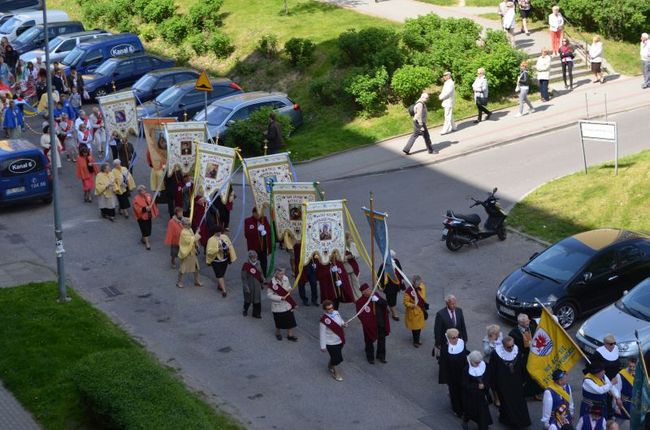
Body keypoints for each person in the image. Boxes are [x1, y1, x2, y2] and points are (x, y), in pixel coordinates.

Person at [486, 335, 532, 428]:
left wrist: (524, 379)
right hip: (504, 383)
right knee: (507, 403)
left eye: (512, 345)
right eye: (509, 347)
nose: (511, 348)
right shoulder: (496, 354)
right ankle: (511, 422)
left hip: (516, 382)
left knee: (520, 402)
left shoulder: (516, 350)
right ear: (503, 346)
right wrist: (494, 385)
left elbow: (521, 365)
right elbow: (493, 370)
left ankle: (523, 421)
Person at [509, 313, 543, 398]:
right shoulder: (513, 333)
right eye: (526, 321)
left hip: (534, 355)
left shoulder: (532, 327)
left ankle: (536, 391)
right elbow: (513, 349)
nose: (529, 321)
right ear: (521, 323)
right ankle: (525, 393)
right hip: (523, 358)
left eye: (528, 320)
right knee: (526, 376)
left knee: (535, 374)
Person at [356, 283, 390, 364]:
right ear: (363, 292)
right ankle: (370, 357)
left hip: (380, 322)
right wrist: (368, 323)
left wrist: (378, 300)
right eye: (367, 290)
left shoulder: (375, 295)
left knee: (382, 340)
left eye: (369, 289)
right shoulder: (360, 302)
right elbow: (360, 315)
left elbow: (385, 304)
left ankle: (381, 356)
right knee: (369, 341)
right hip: (370, 326)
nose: (370, 291)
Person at [439, 328, 469, 417]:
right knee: (454, 393)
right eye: (453, 338)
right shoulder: (445, 349)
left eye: (456, 337)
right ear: (449, 338)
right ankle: (457, 410)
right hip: (452, 375)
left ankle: (464, 407)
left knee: (463, 391)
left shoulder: (461, 343)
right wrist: (445, 378)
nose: (455, 339)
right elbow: (443, 364)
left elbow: (465, 353)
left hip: (463, 373)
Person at [462, 350, 493, 430]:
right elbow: (465, 384)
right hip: (471, 396)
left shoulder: (484, 366)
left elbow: (488, 378)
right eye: (476, 362)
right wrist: (476, 386)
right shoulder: (466, 370)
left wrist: (485, 385)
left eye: (479, 362)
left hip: (482, 395)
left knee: (482, 412)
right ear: (471, 361)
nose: (478, 364)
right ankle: (465, 420)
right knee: (470, 411)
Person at [267, 268, 298, 341]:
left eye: (283, 274)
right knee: (279, 321)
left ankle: (290, 335)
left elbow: (288, 286)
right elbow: (269, 295)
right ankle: (278, 333)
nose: (282, 276)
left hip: (287, 304)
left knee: (290, 320)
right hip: (278, 305)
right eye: (280, 274)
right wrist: (280, 298)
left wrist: (290, 289)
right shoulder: (272, 283)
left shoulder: (285, 278)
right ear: (276, 274)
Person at [206, 225, 236, 297]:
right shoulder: (211, 240)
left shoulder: (224, 237)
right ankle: (224, 290)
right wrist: (218, 249)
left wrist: (227, 248)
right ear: (214, 232)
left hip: (224, 259)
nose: (219, 233)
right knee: (219, 275)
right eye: (217, 232)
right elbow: (209, 251)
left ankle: (220, 286)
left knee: (222, 274)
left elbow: (229, 245)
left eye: (219, 232)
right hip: (216, 261)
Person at [319, 299, 345, 381]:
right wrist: (323, 346)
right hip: (330, 342)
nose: (331, 310)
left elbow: (340, 321)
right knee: (336, 358)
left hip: (339, 339)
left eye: (332, 308)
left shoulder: (336, 312)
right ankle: (336, 374)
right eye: (329, 309)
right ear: (325, 310)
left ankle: (330, 365)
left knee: (336, 356)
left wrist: (344, 324)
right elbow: (322, 334)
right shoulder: (323, 321)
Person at [377, 249, 404, 321]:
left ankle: (390, 309)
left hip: (396, 285)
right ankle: (394, 314)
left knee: (392, 299)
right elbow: (379, 276)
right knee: (391, 300)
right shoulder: (383, 266)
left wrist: (402, 280)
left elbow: (400, 271)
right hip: (388, 286)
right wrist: (380, 286)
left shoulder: (396, 261)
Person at [244, 207, 272, 276]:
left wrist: (265, 232)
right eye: (257, 213)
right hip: (253, 247)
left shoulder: (264, 219)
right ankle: (253, 276)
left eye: (260, 213)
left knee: (264, 263)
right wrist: (257, 231)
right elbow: (247, 234)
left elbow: (269, 230)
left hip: (263, 247)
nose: (258, 215)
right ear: (253, 213)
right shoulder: (248, 221)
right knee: (253, 263)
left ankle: (264, 276)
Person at [177, 217, 202, 289]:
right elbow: (190, 240)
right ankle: (179, 282)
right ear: (183, 225)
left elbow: (193, 238)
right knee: (183, 268)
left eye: (189, 224)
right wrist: (197, 233)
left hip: (192, 252)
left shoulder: (189, 229)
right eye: (187, 224)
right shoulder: (183, 232)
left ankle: (196, 281)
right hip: (187, 252)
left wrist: (197, 244)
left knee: (196, 268)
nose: (189, 225)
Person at [403, 275, 428, 348]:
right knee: (415, 328)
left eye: (420, 283)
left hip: (421, 310)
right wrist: (412, 305)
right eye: (418, 284)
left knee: (419, 327)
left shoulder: (422, 286)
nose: (420, 285)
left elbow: (423, 296)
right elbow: (405, 302)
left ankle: (417, 338)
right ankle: (415, 341)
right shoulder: (408, 291)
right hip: (413, 312)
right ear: (413, 283)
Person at [133, 185, 158, 250]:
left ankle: (143, 238)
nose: (144, 191)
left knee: (148, 229)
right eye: (142, 190)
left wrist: (154, 211)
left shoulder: (148, 195)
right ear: (139, 192)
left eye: (144, 190)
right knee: (145, 229)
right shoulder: (136, 199)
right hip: (141, 217)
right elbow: (137, 209)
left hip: (148, 216)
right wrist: (145, 208)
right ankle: (147, 243)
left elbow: (152, 203)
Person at [241, 250, 264, 318]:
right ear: (250, 258)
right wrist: (246, 287)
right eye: (253, 257)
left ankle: (256, 313)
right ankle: (245, 310)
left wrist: (262, 282)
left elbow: (261, 273)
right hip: (249, 285)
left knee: (257, 300)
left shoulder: (258, 263)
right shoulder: (246, 265)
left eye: (255, 257)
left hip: (257, 286)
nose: (254, 258)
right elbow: (244, 278)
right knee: (248, 300)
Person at [612, 357, 635, 423]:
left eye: (634, 367)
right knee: (617, 423)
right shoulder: (621, 375)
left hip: (635, 406)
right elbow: (617, 391)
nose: (632, 368)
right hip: (624, 405)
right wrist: (616, 407)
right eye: (630, 366)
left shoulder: (639, 374)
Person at [343, 232, 361, 299]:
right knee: (347, 283)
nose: (351, 239)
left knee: (356, 283)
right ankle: (351, 297)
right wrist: (345, 258)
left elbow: (357, 255)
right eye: (350, 237)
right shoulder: (341, 246)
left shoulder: (353, 245)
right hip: (345, 267)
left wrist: (351, 256)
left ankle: (359, 297)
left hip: (353, 267)